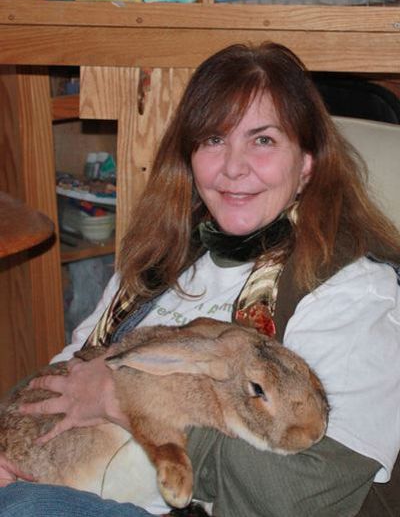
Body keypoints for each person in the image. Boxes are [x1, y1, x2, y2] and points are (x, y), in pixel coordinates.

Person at [0, 41, 399, 517]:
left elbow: (299, 497)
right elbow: (74, 370)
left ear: (307, 164)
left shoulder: (355, 294)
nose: (233, 167)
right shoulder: (163, 258)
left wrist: (125, 405)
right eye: (213, 140)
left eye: (263, 140)